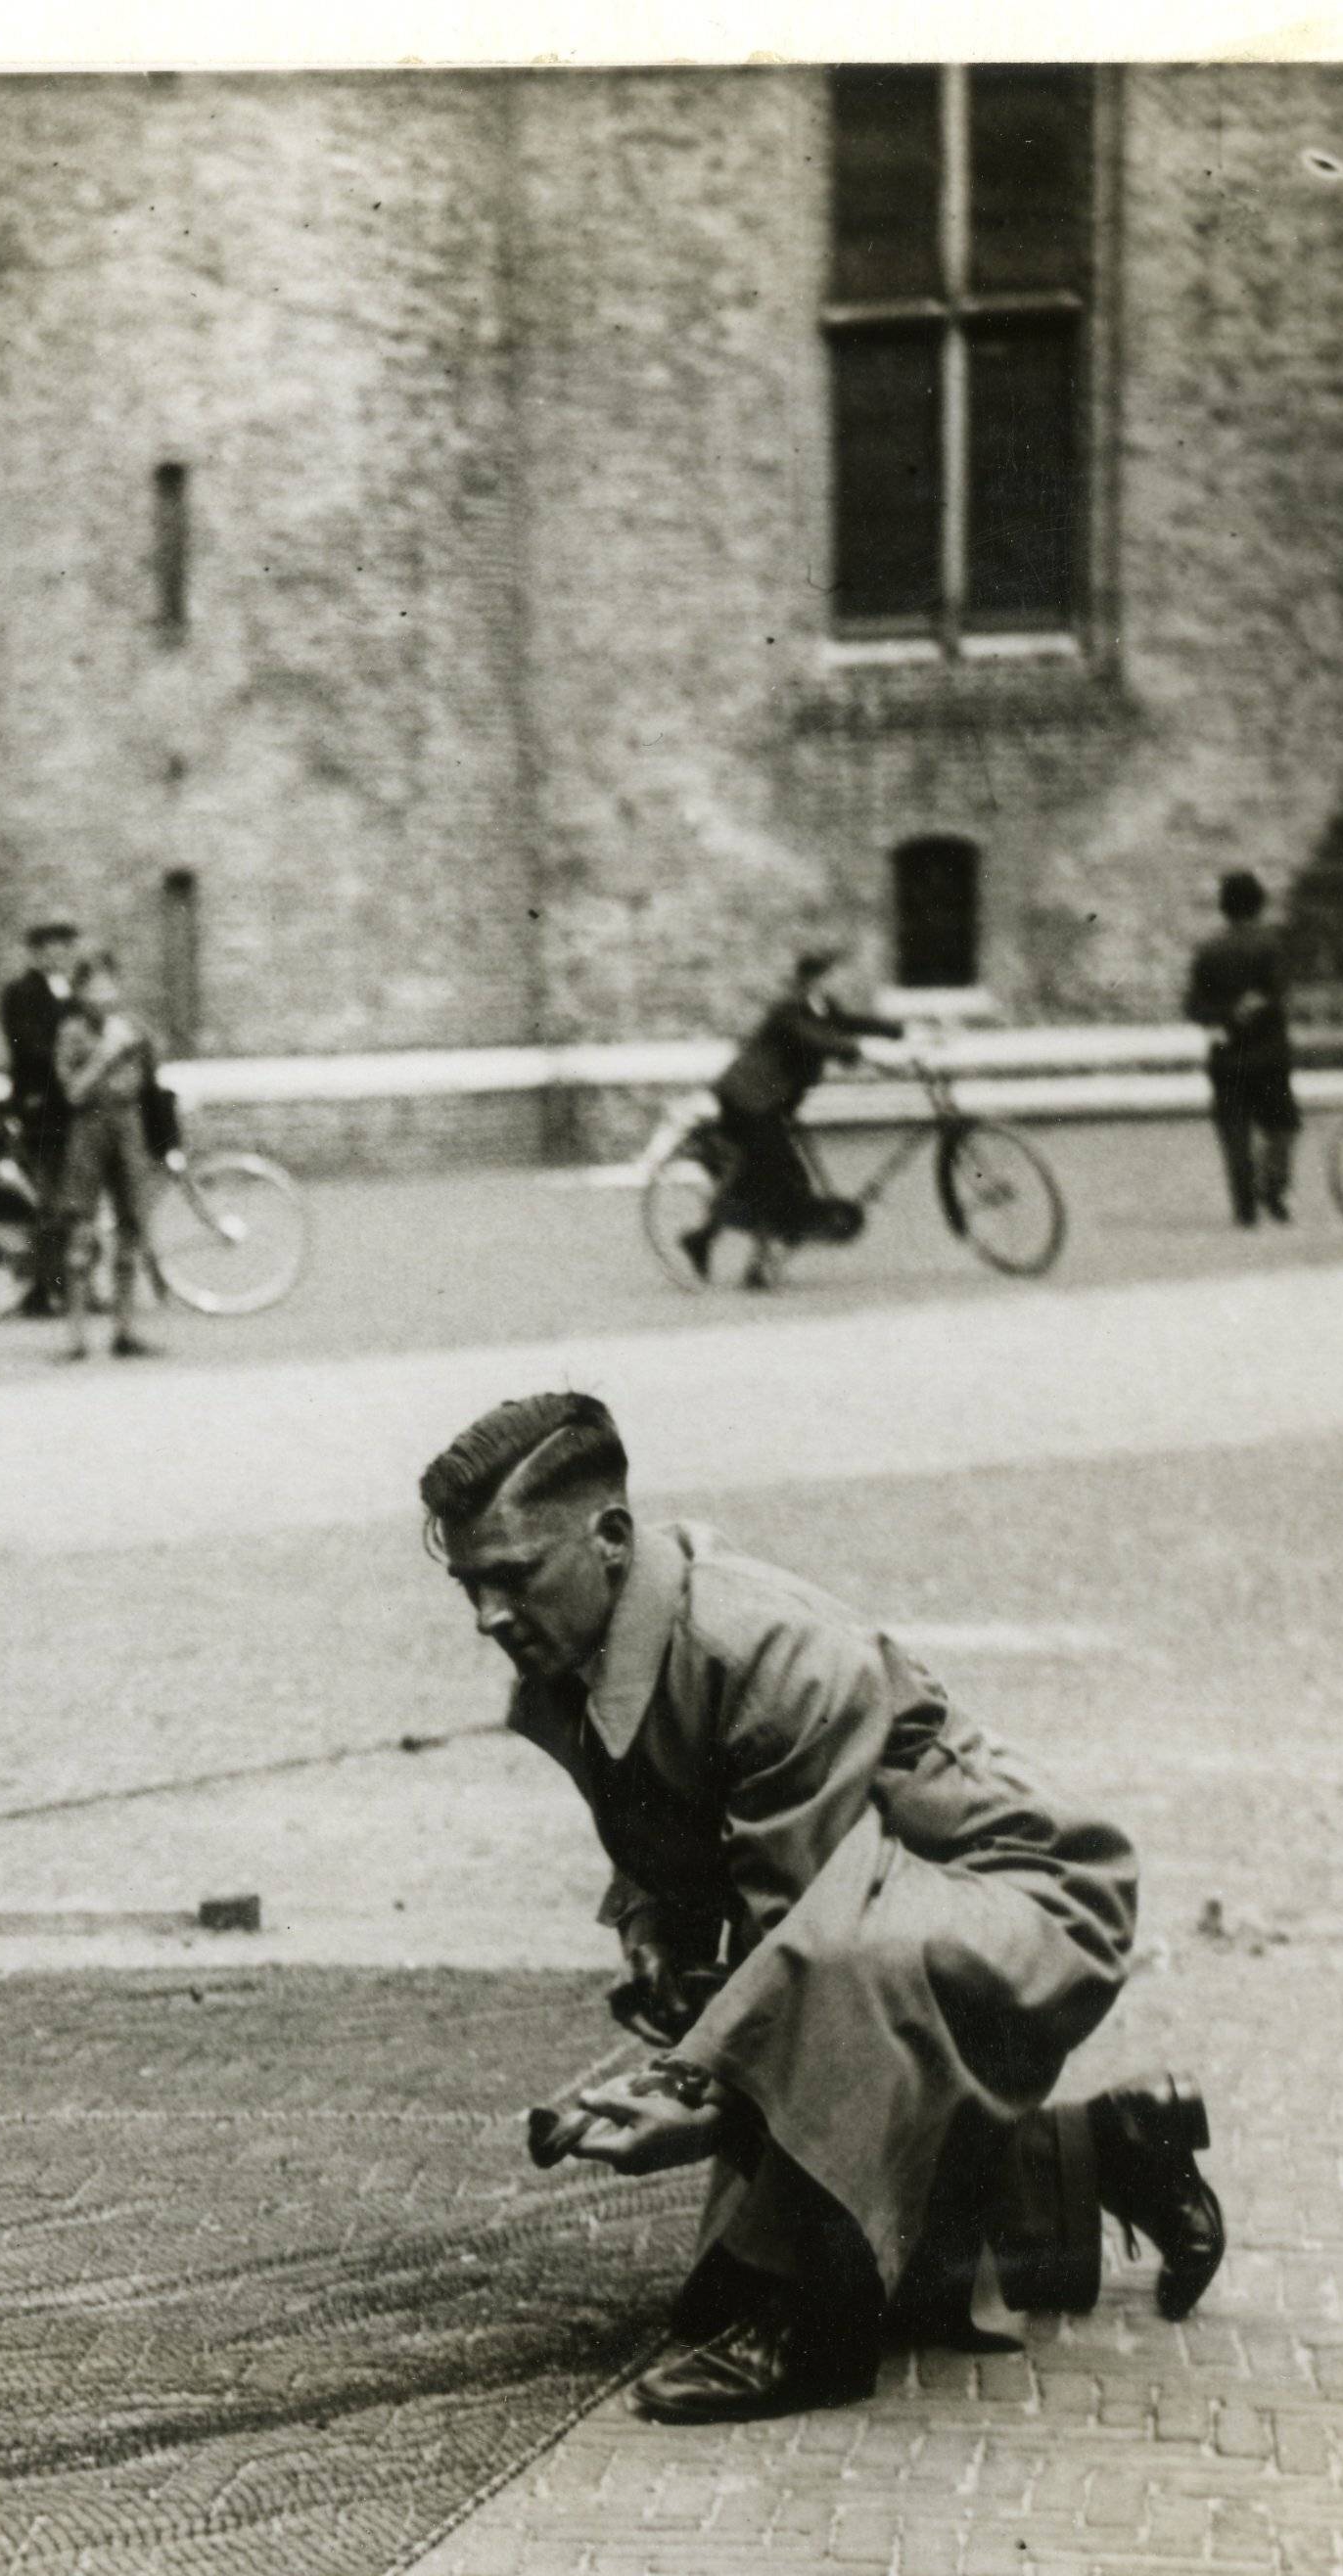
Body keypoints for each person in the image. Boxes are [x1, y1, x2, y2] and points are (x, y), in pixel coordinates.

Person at [420, 1391, 1227, 2425]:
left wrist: (695, 2092)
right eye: (469, 1584)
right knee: (750, 2234)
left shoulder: (766, 1644)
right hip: (873, 1908)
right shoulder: (577, 1655)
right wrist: (655, 1933)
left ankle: (814, 2330)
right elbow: (668, 1830)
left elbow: (805, 1924)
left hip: (1025, 1898)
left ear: (611, 1537)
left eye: (514, 1575)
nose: (488, 1614)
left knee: (816, 2092)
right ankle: (1109, 2150)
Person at [686, 942, 907, 1284]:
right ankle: (754, 1267)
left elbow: (850, 1023)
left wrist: (899, 1031)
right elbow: (817, 1039)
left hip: (772, 1102)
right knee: (775, 1175)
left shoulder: (822, 1007)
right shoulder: (789, 1010)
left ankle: (707, 1238)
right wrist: (858, 1050)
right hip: (747, 1099)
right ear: (812, 979)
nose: (837, 983)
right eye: (830, 976)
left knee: (773, 1174)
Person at [53, 951, 163, 1363]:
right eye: (93, 989)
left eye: (109, 987)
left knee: (130, 1227)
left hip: (128, 1127)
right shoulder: (72, 1032)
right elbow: (73, 1093)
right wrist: (105, 1054)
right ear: (80, 994)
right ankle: (76, 1336)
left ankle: (125, 1330)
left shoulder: (133, 1027)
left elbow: (150, 1080)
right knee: (81, 1230)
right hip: (89, 1130)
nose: (103, 997)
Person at [1182, 871, 1298, 1227]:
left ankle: (1244, 1207)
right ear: (1259, 904)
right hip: (1268, 1055)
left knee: (1234, 1132)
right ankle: (1273, 1187)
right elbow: (1277, 995)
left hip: (1226, 1055)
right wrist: (1251, 1009)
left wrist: (1224, 1015)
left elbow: (1192, 1007)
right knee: (1282, 1127)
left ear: (1224, 907)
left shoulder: (1207, 951)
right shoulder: (1271, 945)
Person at [0, 924, 79, 1316]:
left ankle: (73, 1282)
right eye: (49, 948)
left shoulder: (75, 991)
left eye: (64, 947)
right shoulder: (20, 994)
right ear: (35, 953)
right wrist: (74, 1065)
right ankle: (43, 1289)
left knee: (74, 1198)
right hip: (41, 1108)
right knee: (48, 1198)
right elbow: (29, 1049)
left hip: (74, 1107)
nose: (58, 954)